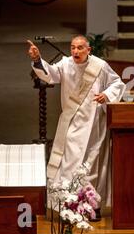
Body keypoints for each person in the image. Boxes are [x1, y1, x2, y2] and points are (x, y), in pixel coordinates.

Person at [28, 35, 126, 210]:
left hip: (94, 123)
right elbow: (50, 75)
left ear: (89, 50)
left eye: (80, 48)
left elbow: (117, 83)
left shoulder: (100, 66)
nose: (75, 51)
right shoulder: (66, 64)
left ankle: (92, 206)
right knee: (69, 163)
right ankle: (69, 204)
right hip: (72, 123)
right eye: (73, 47)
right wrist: (37, 60)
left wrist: (107, 95)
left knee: (91, 165)